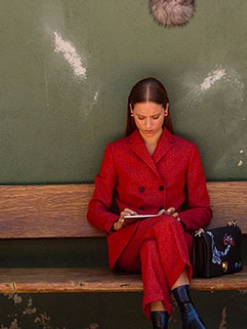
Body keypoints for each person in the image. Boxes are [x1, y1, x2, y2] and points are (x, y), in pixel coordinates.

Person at [87, 77, 212, 329]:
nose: (148, 125)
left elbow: (203, 211)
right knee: (160, 227)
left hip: (174, 245)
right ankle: (188, 310)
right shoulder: (116, 151)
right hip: (129, 244)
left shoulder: (186, 151)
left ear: (166, 110)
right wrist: (117, 221)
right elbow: (95, 209)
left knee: (155, 244)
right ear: (131, 112)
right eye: (141, 117)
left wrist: (179, 219)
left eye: (155, 117)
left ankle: (161, 324)